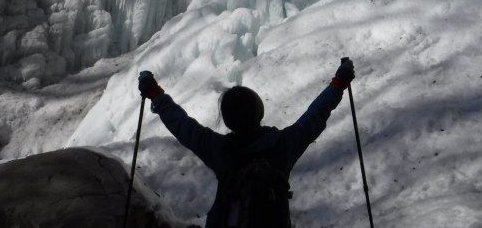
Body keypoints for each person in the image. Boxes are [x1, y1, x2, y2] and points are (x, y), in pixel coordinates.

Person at [138, 59, 356, 227]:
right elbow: (315, 115)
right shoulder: (283, 145)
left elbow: (182, 125)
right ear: (259, 111)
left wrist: (155, 93)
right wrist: (339, 83)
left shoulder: (219, 149)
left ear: (227, 118)